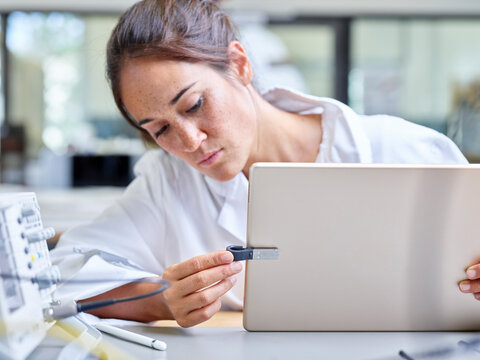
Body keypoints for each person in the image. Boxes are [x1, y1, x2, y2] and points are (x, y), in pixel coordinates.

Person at [50, 0, 473, 328]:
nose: (190, 141)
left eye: (195, 104)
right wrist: (161, 300)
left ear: (240, 64)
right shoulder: (169, 183)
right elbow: (56, 279)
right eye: (159, 130)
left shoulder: (404, 150)